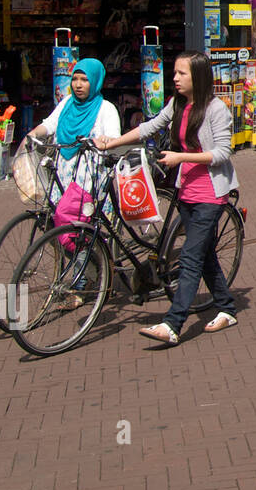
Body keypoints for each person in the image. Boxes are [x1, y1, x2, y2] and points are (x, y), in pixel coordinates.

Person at [99, 52, 239, 344]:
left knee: (189, 257)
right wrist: (112, 142)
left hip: (211, 195)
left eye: (181, 74)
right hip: (186, 190)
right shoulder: (177, 104)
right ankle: (226, 307)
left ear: (198, 76)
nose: (174, 78)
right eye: (175, 73)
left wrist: (181, 156)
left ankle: (173, 324)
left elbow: (223, 153)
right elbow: (149, 127)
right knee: (205, 253)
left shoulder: (216, 109)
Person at [28, 58, 122, 238]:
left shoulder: (106, 109)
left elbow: (113, 139)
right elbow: (50, 124)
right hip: (63, 175)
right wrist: (33, 134)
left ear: (95, 81)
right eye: (75, 79)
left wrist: (103, 141)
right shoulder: (66, 103)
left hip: (87, 178)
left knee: (83, 227)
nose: (78, 85)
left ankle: (91, 261)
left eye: (84, 80)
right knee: (59, 223)